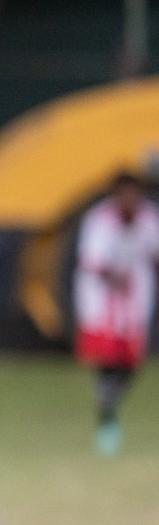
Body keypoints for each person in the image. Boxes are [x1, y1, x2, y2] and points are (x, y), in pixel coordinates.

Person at [74, 172, 159, 455]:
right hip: (103, 301)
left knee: (131, 362)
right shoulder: (98, 220)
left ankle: (110, 398)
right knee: (107, 356)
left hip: (136, 301)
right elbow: (93, 261)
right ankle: (107, 414)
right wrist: (115, 276)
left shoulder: (149, 219)